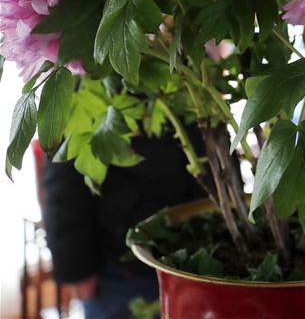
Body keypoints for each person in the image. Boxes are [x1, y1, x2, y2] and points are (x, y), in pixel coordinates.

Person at [42, 134, 206, 319]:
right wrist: (76, 269)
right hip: (119, 265)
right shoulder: (73, 111)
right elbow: (63, 188)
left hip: (191, 256)